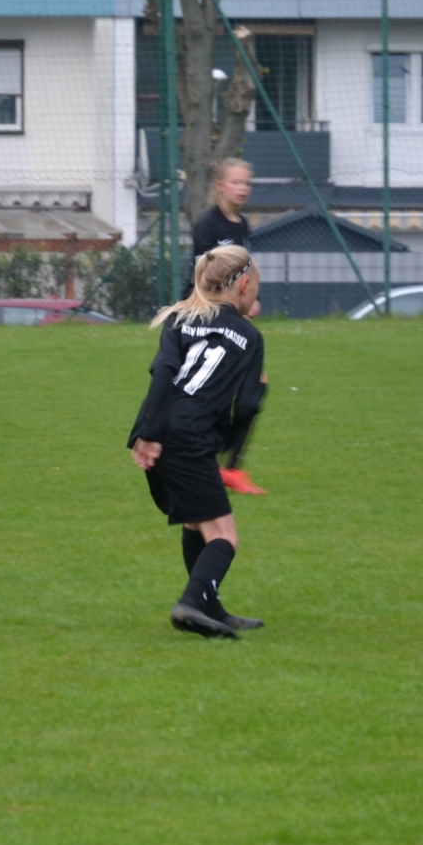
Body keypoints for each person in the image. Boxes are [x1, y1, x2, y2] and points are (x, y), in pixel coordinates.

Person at [129, 245, 268, 639]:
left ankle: (210, 607)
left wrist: (147, 434)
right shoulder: (250, 336)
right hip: (191, 440)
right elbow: (247, 407)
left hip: (160, 432)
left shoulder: (180, 318)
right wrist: (231, 458)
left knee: (196, 522)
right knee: (225, 536)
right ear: (244, 285)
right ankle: (191, 603)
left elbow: (164, 373)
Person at [190, 158, 267, 496]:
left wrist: (251, 299)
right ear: (220, 185)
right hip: (207, 318)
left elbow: (243, 272)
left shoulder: (242, 226)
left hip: (235, 318)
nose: (243, 188)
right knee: (218, 393)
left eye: (247, 183)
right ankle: (208, 462)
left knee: (254, 392)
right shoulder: (207, 225)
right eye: (236, 182)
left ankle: (231, 468)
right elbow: (203, 280)